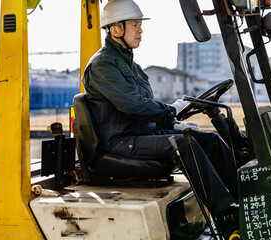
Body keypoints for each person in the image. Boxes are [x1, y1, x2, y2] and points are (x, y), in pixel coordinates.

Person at [82, 0, 239, 237]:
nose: (140, 29)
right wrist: (172, 111)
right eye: (134, 25)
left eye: (139, 25)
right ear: (116, 30)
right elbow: (133, 105)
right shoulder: (102, 65)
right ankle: (224, 213)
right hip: (122, 141)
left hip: (143, 134)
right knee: (183, 144)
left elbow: (146, 107)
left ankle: (246, 196)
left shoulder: (132, 66)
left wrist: (173, 123)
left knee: (209, 140)